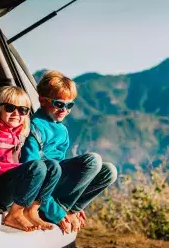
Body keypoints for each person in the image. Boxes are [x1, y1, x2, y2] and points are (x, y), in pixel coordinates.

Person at [21, 70, 117, 234]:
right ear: (42, 100)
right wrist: (57, 213)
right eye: (59, 104)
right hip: (41, 191)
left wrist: (75, 200)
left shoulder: (62, 131)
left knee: (109, 171)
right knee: (93, 160)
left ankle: (71, 210)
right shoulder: (34, 126)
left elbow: (63, 170)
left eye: (69, 105)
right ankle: (59, 210)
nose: (64, 109)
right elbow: (31, 172)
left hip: (55, 185)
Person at [0, 86, 61, 232]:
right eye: (10, 108)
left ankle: (31, 211)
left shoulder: (19, 137)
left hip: (10, 187)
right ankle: (15, 214)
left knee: (53, 167)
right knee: (37, 166)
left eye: (23, 110)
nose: (16, 113)